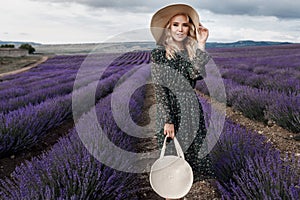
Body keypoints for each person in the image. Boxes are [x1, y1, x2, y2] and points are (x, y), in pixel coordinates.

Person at [150, 4, 216, 199]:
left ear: (190, 29)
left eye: (185, 25)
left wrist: (202, 44)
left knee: (191, 160)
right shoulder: (158, 54)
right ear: (169, 28)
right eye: (175, 24)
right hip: (170, 111)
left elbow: (196, 75)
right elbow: (159, 89)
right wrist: (167, 119)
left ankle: (185, 192)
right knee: (170, 160)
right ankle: (171, 194)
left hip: (190, 108)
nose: (180, 29)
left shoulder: (190, 52)